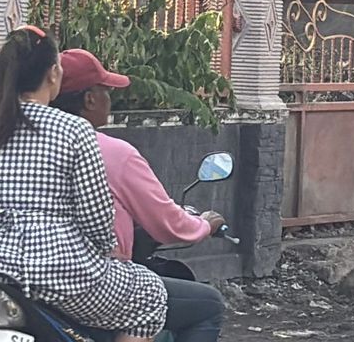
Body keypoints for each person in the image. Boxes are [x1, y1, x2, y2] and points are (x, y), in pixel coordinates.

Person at [0, 26, 166, 342]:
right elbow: (97, 223)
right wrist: (102, 250)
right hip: (61, 278)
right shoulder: (73, 131)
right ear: (52, 74)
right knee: (150, 294)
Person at [53, 48, 227, 342]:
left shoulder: (17, 146)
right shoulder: (112, 153)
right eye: (106, 91)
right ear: (89, 99)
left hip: (19, 277)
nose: (111, 99)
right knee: (207, 305)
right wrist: (204, 224)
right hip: (88, 278)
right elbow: (168, 224)